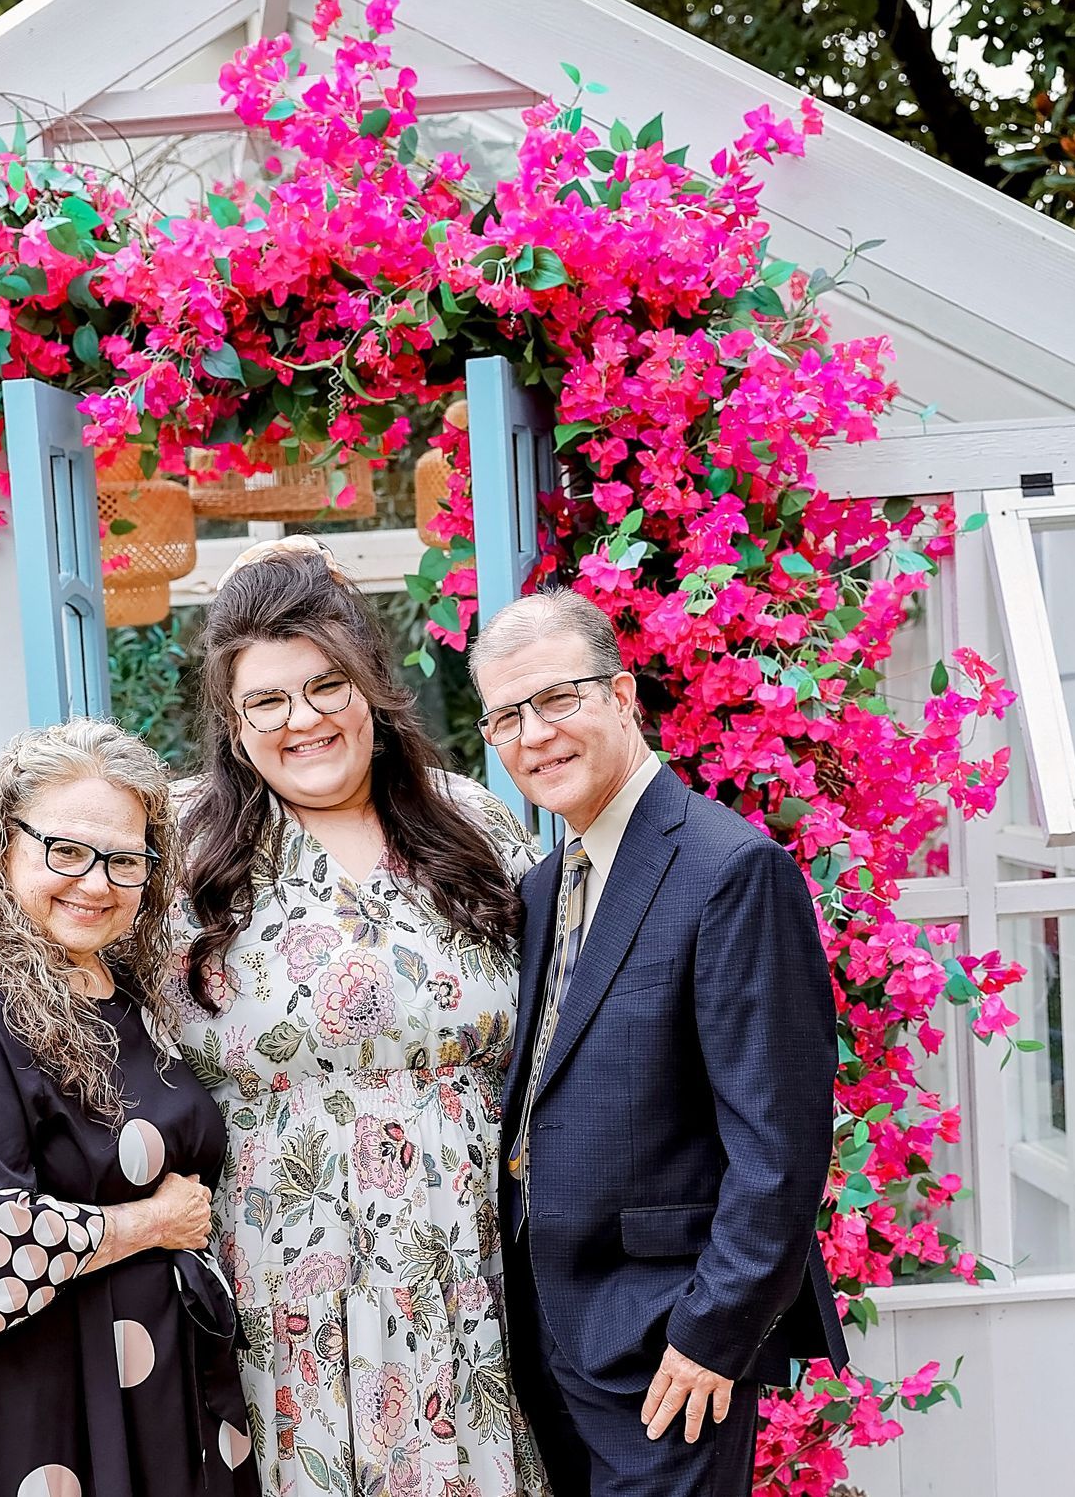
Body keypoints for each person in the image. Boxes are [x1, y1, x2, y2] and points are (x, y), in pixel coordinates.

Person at [169, 538, 550, 1496]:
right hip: (275, 1274)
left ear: (369, 685)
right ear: (231, 717)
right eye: (267, 700)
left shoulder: (476, 826)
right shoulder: (179, 852)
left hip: (474, 1262)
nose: (303, 719)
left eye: (326, 685)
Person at [469, 589, 848, 1497]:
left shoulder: (729, 868)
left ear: (623, 695)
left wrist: (712, 1334)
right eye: (508, 716)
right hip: (548, 1334)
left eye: (559, 699)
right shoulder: (545, 884)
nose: (536, 734)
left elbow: (781, 1147)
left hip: (664, 1348)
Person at [0, 717, 259, 1497]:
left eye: (125, 860)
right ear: (0, 849)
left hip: (145, 1379)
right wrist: (150, 1226)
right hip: (38, 1397)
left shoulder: (118, 993)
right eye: (66, 851)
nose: (96, 883)